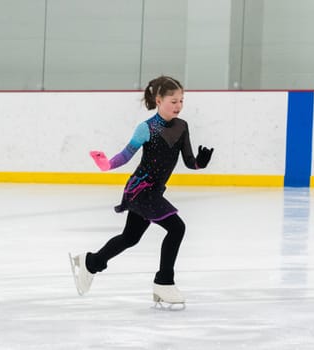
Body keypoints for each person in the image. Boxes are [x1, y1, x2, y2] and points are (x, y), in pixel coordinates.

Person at [70, 75, 213, 305]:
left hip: (154, 192)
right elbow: (126, 155)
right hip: (140, 190)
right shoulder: (146, 128)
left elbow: (188, 161)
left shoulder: (182, 126)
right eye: (173, 101)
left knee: (130, 237)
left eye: (181, 101)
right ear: (159, 100)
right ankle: (164, 282)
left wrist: (200, 163)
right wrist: (107, 165)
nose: (178, 106)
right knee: (177, 228)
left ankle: (91, 263)